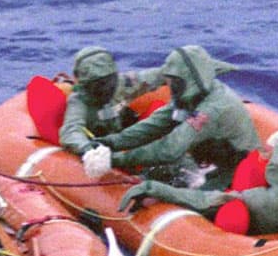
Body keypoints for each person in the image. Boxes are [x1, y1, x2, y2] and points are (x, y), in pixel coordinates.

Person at [100, 45, 260, 188]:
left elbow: (170, 149)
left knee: (168, 190)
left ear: (188, 80)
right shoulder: (191, 96)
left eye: (175, 82)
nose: (171, 87)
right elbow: (154, 125)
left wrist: (114, 159)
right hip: (207, 162)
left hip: (231, 173)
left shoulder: (212, 109)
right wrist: (111, 142)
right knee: (161, 171)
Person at [122, 130, 278, 237]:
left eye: (271, 154)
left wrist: (152, 187)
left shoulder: (258, 199)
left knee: (231, 211)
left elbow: (203, 199)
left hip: (247, 234)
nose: (267, 155)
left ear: (277, 164)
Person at [60, 47, 141, 171]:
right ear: (86, 84)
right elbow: (71, 130)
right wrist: (88, 148)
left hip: (124, 141)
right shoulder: (78, 102)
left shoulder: (122, 84)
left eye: (109, 81)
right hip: (103, 150)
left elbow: (155, 77)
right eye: (99, 84)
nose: (106, 89)